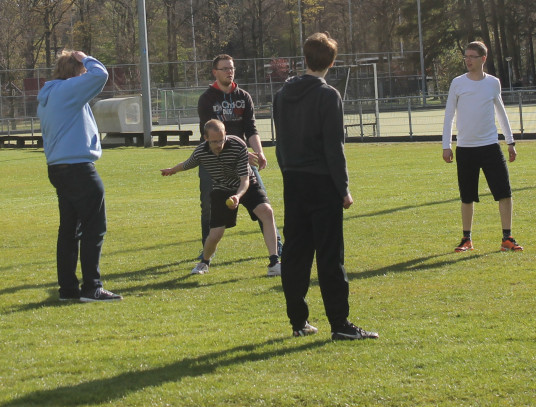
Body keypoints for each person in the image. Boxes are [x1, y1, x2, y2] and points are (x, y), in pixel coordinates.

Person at [273, 33, 377, 341]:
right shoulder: (328, 95)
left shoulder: (282, 94)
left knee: (296, 253)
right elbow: (334, 146)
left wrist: (288, 172)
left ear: (305, 59)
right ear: (331, 63)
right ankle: (340, 324)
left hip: (293, 180)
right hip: (321, 181)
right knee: (330, 255)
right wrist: (343, 187)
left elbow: (280, 142)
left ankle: (298, 321)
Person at [38, 50, 122, 303]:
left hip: (58, 168)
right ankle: (92, 287)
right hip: (79, 168)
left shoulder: (49, 94)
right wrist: (85, 57)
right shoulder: (68, 89)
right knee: (94, 228)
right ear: (76, 72)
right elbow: (101, 74)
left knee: (68, 231)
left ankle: (68, 289)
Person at [161, 119, 281, 277]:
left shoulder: (237, 145)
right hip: (221, 189)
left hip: (246, 184)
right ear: (206, 138)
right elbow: (187, 164)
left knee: (266, 211)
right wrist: (172, 170)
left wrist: (237, 196)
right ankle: (204, 262)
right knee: (216, 234)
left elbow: (244, 180)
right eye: (215, 141)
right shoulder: (201, 152)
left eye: (222, 139)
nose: (219, 144)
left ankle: (274, 262)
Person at [196, 54, 282, 257]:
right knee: (209, 205)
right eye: (224, 68)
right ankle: (207, 252)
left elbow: (251, 129)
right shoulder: (207, 99)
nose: (229, 72)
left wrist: (259, 153)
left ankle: (276, 247)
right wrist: (240, 151)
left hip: (243, 160)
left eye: (231, 68)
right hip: (213, 161)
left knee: (262, 204)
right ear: (215, 72)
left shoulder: (243, 97)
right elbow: (208, 135)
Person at [441, 40, 523, 253]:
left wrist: (510, 142)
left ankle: (507, 238)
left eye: (472, 56)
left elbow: (501, 112)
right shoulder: (457, 83)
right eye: (465, 56)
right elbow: (449, 114)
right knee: (467, 196)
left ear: (483, 59)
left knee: (504, 193)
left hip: (490, 147)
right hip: (466, 149)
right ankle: (466, 239)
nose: (467, 60)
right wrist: (446, 145)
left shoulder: (493, 83)